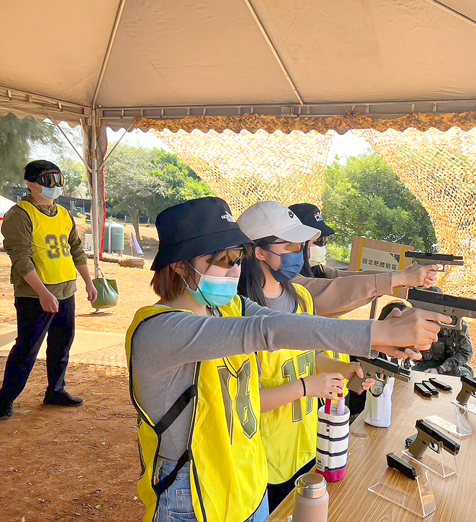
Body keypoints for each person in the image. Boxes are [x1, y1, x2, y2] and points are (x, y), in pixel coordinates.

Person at [125, 197, 446, 522]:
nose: (235, 267)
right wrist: (379, 333)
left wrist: (375, 341)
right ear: (179, 264)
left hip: (248, 476)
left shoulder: (229, 306)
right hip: (192, 492)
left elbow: (295, 330)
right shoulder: (159, 329)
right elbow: (268, 331)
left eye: (239, 255)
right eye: (223, 258)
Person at [236, 201, 375, 512]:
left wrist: (343, 370)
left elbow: (308, 358)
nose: (300, 252)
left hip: (305, 448)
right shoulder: (239, 316)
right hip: (263, 459)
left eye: (301, 244)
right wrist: (306, 388)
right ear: (259, 252)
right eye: (289, 244)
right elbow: (242, 401)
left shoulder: (302, 298)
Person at [0, 160, 97, 421]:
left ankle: (55, 390)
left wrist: (88, 281)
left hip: (66, 290)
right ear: (31, 184)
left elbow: (75, 248)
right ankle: (5, 399)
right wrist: (42, 292)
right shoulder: (19, 215)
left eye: (58, 179)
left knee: (62, 343)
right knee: (27, 347)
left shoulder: (63, 213)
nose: (55, 186)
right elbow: (20, 258)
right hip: (35, 295)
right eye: (48, 180)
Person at [288, 202, 440, 318]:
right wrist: (400, 278)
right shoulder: (285, 278)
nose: (323, 245)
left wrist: (403, 277)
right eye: (318, 241)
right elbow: (335, 291)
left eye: (324, 240)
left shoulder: (315, 269)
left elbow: (348, 279)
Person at [379, 299, 474, 378]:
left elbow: (466, 353)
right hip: (420, 369)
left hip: (450, 368)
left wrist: (440, 369)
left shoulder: (455, 323)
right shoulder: (412, 322)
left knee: (464, 376)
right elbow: (395, 351)